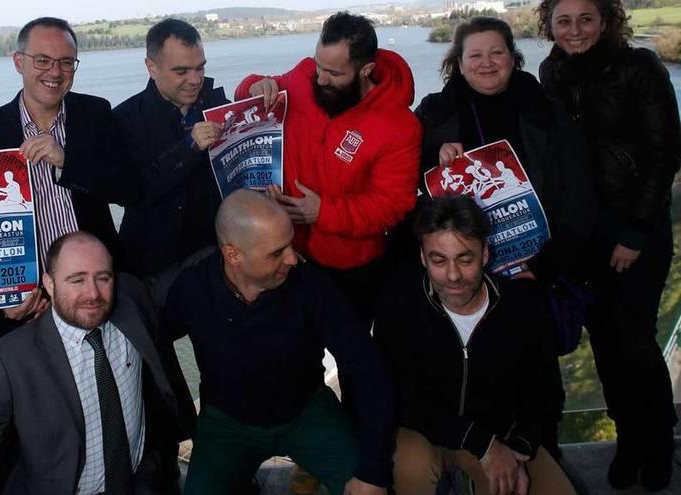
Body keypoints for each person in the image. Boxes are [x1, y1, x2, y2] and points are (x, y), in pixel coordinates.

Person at [160, 189, 394, 495]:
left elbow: (367, 366)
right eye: (276, 252)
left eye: (291, 244)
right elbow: (155, 340)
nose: (292, 259)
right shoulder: (192, 288)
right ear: (233, 255)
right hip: (225, 424)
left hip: (308, 414)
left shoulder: (310, 286)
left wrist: (373, 472)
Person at [537, 0, 680, 490]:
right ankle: (630, 438)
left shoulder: (638, 68)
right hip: (585, 237)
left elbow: (664, 154)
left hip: (635, 232)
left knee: (635, 342)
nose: (575, 31)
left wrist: (635, 232)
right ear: (549, 25)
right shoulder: (550, 72)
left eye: (585, 19)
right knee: (605, 346)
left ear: (606, 20)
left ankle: (657, 441)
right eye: (563, 21)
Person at [0, 231, 185, 494]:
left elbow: (180, 274)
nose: (93, 294)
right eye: (77, 280)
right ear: (49, 284)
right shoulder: (12, 361)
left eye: (103, 278)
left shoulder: (130, 302)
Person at [374, 195, 576, 495]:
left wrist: (520, 449)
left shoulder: (522, 305)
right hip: (425, 434)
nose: (453, 275)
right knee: (408, 464)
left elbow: (545, 392)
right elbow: (398, 398)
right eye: (438, 260)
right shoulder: (399, 303)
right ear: (422, 257)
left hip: (499, 432)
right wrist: (482, 444)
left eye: (465, 259)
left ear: (485, 254)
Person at [235, 11, 421, 323]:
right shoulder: (305, 75)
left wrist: (322, 212)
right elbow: (254, 90)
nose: (320, 79)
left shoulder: (401, 126)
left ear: (367, 70)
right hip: (289, 253)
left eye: (334, 73)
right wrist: (253, 86)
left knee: (354, 355)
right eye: (319, 65)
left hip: (352, 270)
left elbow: (392, 206)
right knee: (295, 356)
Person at [0, 16, 134, 328]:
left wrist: (67, 161)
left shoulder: (95, 113)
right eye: (42, 60)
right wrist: (4, 297)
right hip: (30, 301)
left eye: (66, 62)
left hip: (99, 289)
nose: (55, 72)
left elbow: (127, 188)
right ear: (18, 62)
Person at [415, 16, 595, 286]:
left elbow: (580, 192)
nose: (487, 63)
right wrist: (433, 156)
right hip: (463, 273)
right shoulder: (433, 114)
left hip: (540, 268)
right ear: (460, 64)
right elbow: (406, 172)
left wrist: (547, 265)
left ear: (513, 57)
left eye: (496, 53)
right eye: (475, 55)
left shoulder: (548, 112)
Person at [114, 18, 229, 277]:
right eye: (182, 71)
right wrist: (189, 147)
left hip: (216, 256)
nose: (195, 79)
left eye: (200, 68)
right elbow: (132, 192)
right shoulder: (123, 119)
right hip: (152, 265)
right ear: (151, 67)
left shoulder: (221, 106)